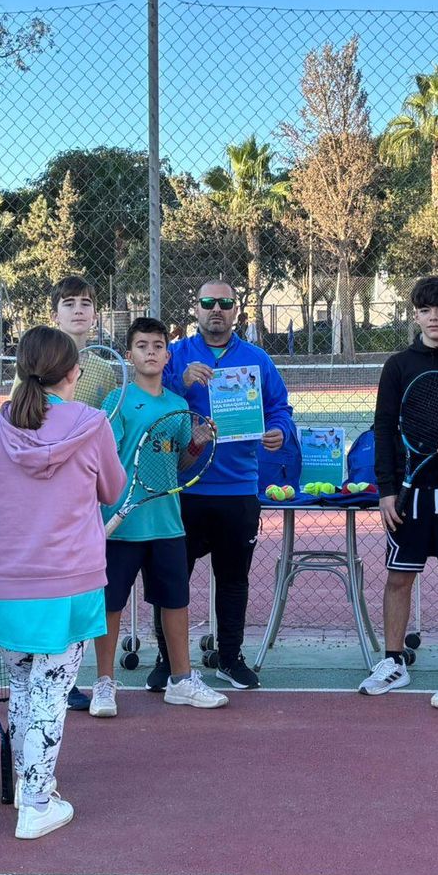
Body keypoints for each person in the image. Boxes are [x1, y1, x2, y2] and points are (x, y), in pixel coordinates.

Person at [0, 325, 125, 839]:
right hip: (68, 583)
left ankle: (30, 787)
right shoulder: (93, 423)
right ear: (73, 372)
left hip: (7, 585)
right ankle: (35, 801)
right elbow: (113, 488)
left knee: (24, 684)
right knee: (51, 690)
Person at [161, 280, 297, 690]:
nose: (216, 309)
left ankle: (230, 657)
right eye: (207, 302)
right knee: (173, 578)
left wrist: (279, 432)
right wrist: (181, 382)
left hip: (238, 489)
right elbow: (152, 399)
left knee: (234, 578)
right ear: (197, 309)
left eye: (225, 303)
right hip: (182, 489)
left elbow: (280, 409)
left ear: (236, 311)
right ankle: (169, 661)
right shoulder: (176, 356)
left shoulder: (256, 360)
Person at [91, 316, 229, 716]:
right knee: (111, 605)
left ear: (168, 355)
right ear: (130, 355)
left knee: (175, 602)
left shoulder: (179, 405)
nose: (150, 352)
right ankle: (104, 683)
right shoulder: (116, 402)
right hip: (121, 523)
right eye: (142, 346)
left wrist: (198, 445)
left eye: (157, 345)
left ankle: (181, 680)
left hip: (167, 523)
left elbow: (180, 464)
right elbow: (104, 460)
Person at [359, 275, 438, 697]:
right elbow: (384, 428)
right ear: (416, 316)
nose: (434, 318)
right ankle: (393, 662)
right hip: (409, 494)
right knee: (398, 577)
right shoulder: (398, 366)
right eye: (426, 310)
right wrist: (387, 489)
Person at [46, 275, 100, 711]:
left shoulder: (102, 365)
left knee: (74, 585)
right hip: (39, 491)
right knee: (5, 588)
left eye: (85, 303)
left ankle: (67, 677)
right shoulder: (39, 354)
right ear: (55, 314)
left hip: (80, 492)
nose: (78, 309)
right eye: (69, 303)